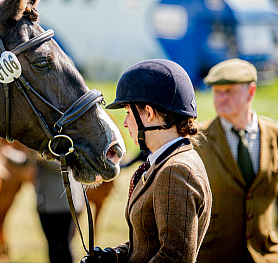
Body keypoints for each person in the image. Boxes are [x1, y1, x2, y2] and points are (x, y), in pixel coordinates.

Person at [81, 59, 212, 263]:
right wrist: (115, 257)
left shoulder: (175, 171)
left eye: (128, 113)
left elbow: (174, 257)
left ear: (149, 114)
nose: (125, 123)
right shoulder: (168, 161)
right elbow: (148, 243)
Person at [196, 58, 278, 263]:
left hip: (267, 257)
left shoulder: (277, 137)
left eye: (230, 91)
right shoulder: (198, 140)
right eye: (217, 92)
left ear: (251, 91)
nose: (222, 98)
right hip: (212, 257)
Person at [36, 157, 84, 263]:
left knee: (63, 245)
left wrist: (42, 159)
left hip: (64, 206)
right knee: (52, 246)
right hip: (45, 205)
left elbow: (67, 165)